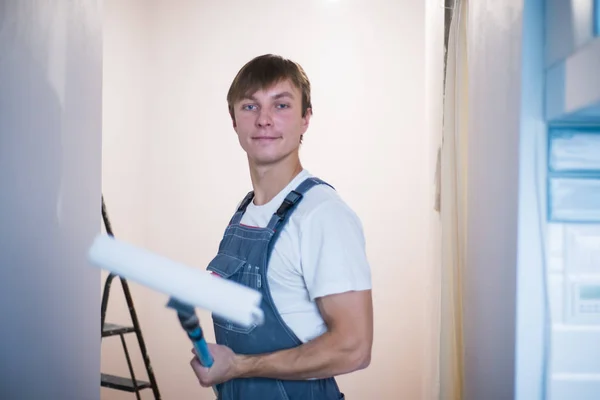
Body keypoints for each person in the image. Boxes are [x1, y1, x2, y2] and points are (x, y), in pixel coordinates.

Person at [190, 54, 373, 400]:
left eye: (281, 105)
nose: (264, 120)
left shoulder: (322, 215)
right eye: (250, 106)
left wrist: (239, 366)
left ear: (306, 119)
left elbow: (354, 348)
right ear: (234, 122)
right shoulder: (245, 212)